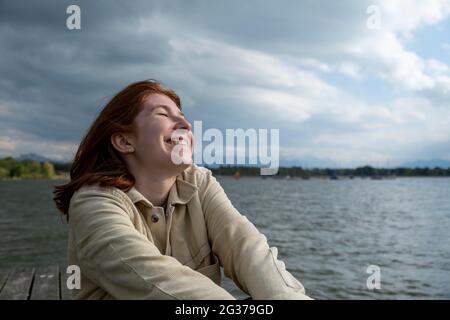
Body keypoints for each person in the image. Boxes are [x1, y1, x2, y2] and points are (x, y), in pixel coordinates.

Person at [54, 79, 311, 300]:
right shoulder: (93, 202)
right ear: (124, 140)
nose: (185, 124)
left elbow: (247, 250)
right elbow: (154, 282)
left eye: (183, 116)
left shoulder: (199, 183)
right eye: (163, 114)